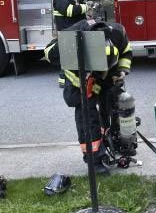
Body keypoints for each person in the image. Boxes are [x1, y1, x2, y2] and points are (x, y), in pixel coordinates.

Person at [56, 19, 133, 175]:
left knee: (113, 104)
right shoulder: (73, 36)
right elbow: (52, 54)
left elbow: (126, 51)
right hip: (79, 78)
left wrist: (121, 71)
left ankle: (115, 143)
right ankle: (94, 160)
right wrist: (83, 81)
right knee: (88, 116)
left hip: (105, 74)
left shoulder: (118, 33)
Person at [52, 0, 89, 86]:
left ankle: (75, 78)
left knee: (74, 55)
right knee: (68, 55)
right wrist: (85, 7)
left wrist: (85, 6)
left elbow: (79, 3)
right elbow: (69, 10)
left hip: (73, 29)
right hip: (66, 30)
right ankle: (64, 80)